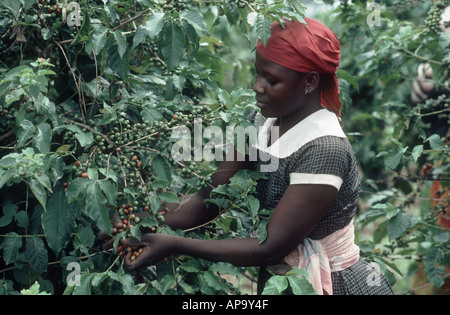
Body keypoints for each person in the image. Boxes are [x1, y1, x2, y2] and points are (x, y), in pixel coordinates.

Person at [101, 18, 394, 295]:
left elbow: (270, 247)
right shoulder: (259, 122)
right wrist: (137, 221)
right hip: (282, 278)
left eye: (271, 80)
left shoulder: (324, 149)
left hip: (332, 284)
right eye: (258, 73)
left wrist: (175, 245)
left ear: (310, 82)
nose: (257, 86)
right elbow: (210, 200)